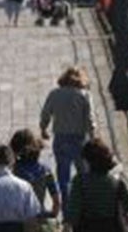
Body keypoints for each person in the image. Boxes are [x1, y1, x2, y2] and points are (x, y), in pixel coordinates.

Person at [37, 65, 95, 196]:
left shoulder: (55, 94)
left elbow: (46, 113)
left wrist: (43, 128)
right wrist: (93, 137)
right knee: (84, 174)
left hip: (61, 138)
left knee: (63, 176)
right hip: (80, 139)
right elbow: (90, 119)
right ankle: (84, 204)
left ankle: (66, 206)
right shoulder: (85, 95)